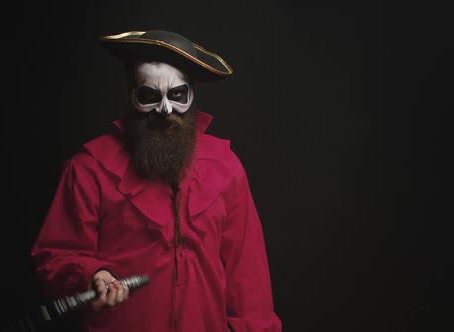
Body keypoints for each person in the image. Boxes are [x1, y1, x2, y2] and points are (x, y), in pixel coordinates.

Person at [30, 29, 282, 332]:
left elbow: (248, 274)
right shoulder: (89, 168)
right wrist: (93, 274)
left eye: (177, 95)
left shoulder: (226, 168)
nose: (165, 110)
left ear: (191, 94)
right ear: (132, 96)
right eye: (150, 96)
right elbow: (55, 255)